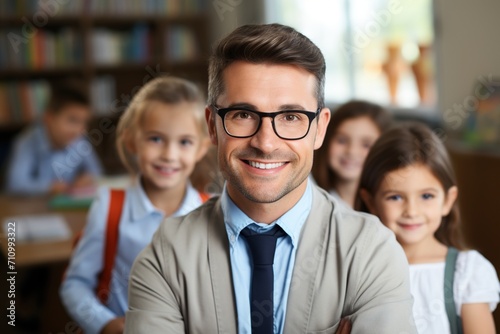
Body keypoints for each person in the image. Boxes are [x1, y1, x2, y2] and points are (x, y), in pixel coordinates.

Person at [125, 23, 416, 334]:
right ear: (211, 125)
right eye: (243, 114)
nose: (266, 143)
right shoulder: (166, 255)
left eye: (291, 117)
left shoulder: (370, 250)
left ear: (319, 128)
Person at [60, 76, 211, 334]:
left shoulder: (212, 213)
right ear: (132, 141)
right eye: (155, 139)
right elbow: (75, 285)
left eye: (184, 142)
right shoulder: (109, 206)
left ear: (201, 148)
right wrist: (105, 323)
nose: (169, 155)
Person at [357, 122, 500, 334]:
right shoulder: (359, 269)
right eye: (395, 197)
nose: (412, 211)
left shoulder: (467, 272)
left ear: (448, 201)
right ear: (371, 201)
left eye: (426, 196)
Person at [5, 80, 102, 195]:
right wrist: (49, 187)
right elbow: (15, 184)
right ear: (49, 118)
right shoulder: (26, 142)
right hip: (36, 208)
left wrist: (87, 178)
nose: (79, 129)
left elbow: (97, 172)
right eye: (72, 120)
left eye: (84, 122)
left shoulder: (79, 140)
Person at [311, 100, 391, 208]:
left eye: (366, 145)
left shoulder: (388, 205)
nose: (352, 152)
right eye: (342, 140)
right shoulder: (309, 193)